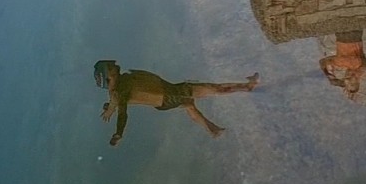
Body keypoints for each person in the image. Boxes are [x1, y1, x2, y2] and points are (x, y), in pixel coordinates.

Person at [93, 59, 258, 146]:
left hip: (167, 95)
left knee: (189, 105)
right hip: (168, 95)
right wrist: (119, 133)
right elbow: (122, 113)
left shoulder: (118, 89)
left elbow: (116, 105)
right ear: (108, 78)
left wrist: (109, 109)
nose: (115, 66)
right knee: (212, 89)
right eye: (111, 68)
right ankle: (248, 86)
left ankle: (213, 130)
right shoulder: (119, 91)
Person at [319, 31, 366, 100]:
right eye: (352, 84)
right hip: (348, 36)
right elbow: (323, 61)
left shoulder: (346, 64)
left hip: (348, 37)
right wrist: (331, 77)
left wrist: (330, 76)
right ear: (358, 81)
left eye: (347, 83)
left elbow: (323, 62)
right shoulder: (353, 65)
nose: (347, 79)